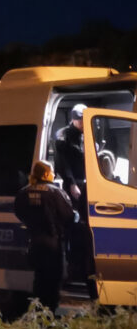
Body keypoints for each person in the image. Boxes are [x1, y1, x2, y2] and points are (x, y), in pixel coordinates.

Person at [15, 160, 75, 313]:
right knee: (53, 281)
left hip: (34, 243)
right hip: (52, 244)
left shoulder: (24, 192)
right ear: (46, 174)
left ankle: (38, 313)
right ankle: (49, 315)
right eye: (52, 172)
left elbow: (19, 212)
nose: (54, 175)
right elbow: (68, 215)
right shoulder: (56, 192)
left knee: (39, 280)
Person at [54, 103, 97, 298]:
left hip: (88, 183)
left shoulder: (88, 133)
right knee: (73, 225)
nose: (82, 123)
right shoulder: (63, 136)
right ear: (73, 119)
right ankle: (74, 267)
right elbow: (63, 163)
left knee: (86, 225)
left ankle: (84, 266)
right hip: (74, 184)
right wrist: (71, 183)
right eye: (80, 120)